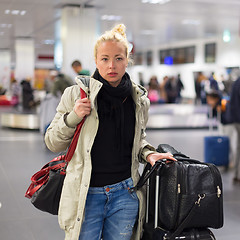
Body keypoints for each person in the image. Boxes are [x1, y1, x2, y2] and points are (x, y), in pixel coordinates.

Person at [45, 24, 175, 240]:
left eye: (118, 58)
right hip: (87, 195)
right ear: (96, 61)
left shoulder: (138, 99)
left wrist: (148, 153)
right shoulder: (76, 94)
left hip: (125, 194)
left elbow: (137, 139)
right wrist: (73, 116)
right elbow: (52, 142)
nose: (111, 65)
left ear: (127, 60)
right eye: (104, 59)